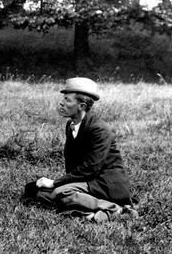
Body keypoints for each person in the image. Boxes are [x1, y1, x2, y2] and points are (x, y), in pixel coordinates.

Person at [22, 77, 137, 222]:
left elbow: (91, 168)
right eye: (63, 98)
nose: (61, 103)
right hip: (88, 181)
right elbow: (73, 162)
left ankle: (116, 209)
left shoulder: (99, 129)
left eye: (67, 100)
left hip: (106, 184)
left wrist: (54, 183)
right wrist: (62, 184)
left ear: (82, 106)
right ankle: (90, 211)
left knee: (60, 192)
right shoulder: (71, 125)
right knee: (38, 192)